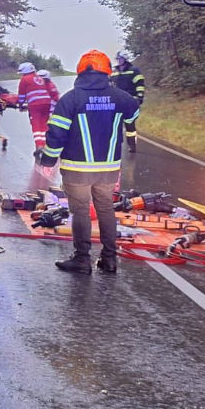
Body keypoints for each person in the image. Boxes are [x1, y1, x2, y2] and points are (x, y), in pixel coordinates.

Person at [41, 50, 141, 274]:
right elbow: (133, 115)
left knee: (81, 212)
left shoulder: (71, 99)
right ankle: (109, 258)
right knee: (106, 209)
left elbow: (56, 133)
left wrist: (48, 158)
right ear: (106, 71)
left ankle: (82, 259)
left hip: (77, 168)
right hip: (108, 167)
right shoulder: (120, 97)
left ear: (81, 71)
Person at [17, 62, 55, 156]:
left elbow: (21, 95)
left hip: (35, 105)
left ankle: (39, 146)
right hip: (47, 103)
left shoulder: (24, 79)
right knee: (44, 125)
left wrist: (20, 105)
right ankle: (46, 146)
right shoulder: (39, 78)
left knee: (36, 126)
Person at [111, 52, 145, 152]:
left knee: (130, 125)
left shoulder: (134, 70)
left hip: (130, 101)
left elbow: (140, 84)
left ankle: (132, 145)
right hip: (117, 102)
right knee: (115, 125)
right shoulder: (115, 71)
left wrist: (139, 96)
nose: (119, 60)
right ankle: (116, 145)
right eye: (118, 59)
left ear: (125, 59)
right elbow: (110, 85)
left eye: (121, 59)